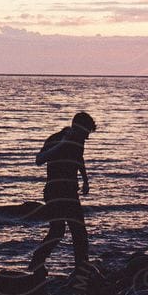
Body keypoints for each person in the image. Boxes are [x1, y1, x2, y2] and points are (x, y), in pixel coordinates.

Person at [28, 110, 96, 274]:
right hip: (55, 192)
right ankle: (37, 261)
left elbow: (79, 159)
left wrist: (85, 180)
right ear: (78, 127)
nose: (87, 138)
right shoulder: (55, 139)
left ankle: (81, 269)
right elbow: (39, 160)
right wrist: (62, 144)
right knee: (58, 231)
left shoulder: (79, 140)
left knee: (79, 232)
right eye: (86, 133)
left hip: (70, 193)